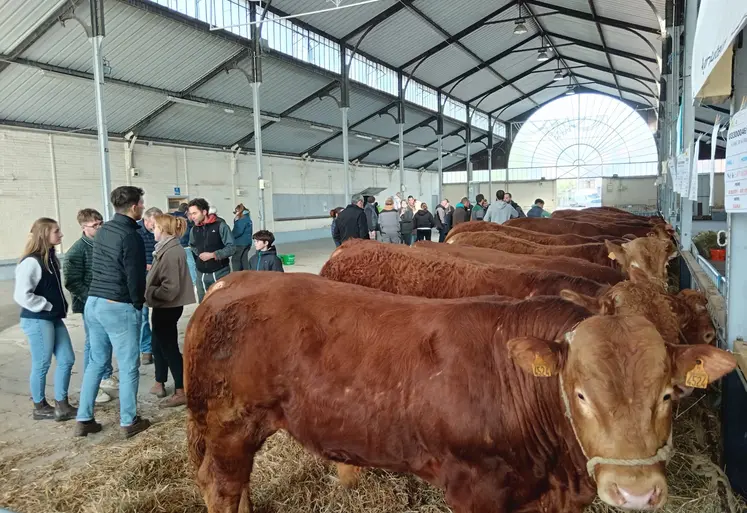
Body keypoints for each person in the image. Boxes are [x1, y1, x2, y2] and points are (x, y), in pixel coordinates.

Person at [76, 186, 150, 438]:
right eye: (141, 204)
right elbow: (134, 275)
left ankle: (84, 418)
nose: (142, 207)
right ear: (133, 207)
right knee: (129, 366)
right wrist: (138, 304)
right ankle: (129, 421)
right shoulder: (130, 236)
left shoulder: (104, 229)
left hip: (94, 302)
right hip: (117, 305)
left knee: (96, 362)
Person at [13, 218, 77, 422]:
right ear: (44, 234)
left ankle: (62, 404)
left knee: (67, 358)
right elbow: (21, 295)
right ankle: (39, 406)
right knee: (42, 363)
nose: (61, 235)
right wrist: (45, 305)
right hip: (38, 319)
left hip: (53, 317)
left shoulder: (51, 258)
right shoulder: (31, 261)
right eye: (56, 231)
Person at [63, 208, 114, 404]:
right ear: (84, 227)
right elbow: (72, 282)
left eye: (101, 222)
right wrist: (93, 299)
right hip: (90, 303)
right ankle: (92, 386)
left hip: (107, 299)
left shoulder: (103, 243)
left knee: (106, 341)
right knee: (93, 343)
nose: (100, 227)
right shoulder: (76, 251)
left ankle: (106, 375)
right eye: (95, 225)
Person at [145, 214, 196, 408]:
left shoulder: (172, 252)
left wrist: (148, 291)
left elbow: (170, 288)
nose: (153, 230)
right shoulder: (166, 248)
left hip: (167, 305)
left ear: (164, 230)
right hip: (163, 305)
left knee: (169, 348)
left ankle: (181, 390)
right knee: (158, 343)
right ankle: (160, 382)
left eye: (156, 227)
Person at [188, 198, 235, 303]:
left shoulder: (221, 226)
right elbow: (192, 245)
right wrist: (200, 254)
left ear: (204, 212)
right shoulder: (194, 230)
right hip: (201, 275)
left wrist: (213, 255)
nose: (192, 217)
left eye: (194, 213)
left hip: (220, 273)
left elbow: (232, 248)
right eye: (191, 214)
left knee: (222, 304)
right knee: (203, 306)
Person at [137, 207, 162, 366]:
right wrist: (144, 265)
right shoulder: (136, 232)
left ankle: (161, 346)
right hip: (142, 279)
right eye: (153, 224)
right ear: (145, 221)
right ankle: (146, 349)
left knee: (161, 314)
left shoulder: (160, 231)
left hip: (159, 277)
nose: (155, 228)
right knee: (143, 316)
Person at [172, 203, 196, 284]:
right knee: (191, 264)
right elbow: (188, 233)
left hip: (175, 245)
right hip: (186, 245)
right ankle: (194, 282)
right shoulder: (185, 220)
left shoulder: (173, 218)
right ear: (186, 211)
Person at [231, 204, 253, 272]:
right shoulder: (248, 218)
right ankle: (247, 274)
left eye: (236, 212)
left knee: (235, 260)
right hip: (247, 243)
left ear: (239, 211)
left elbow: (238, 231)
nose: (235, 214)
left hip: (240, 243)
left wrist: (230, 236)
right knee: (244, 259)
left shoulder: (241, 220)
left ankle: (236, 275)